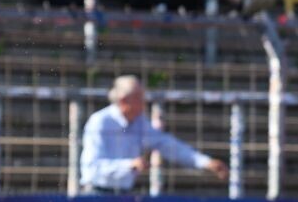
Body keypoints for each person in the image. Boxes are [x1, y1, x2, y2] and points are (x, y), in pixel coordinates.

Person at [80, 76, 229, 194]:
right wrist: (129, 165)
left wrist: (204, 162)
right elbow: (92, 167)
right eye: (139, 98)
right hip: (96, 193)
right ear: (124, 100)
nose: (144, 103)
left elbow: (167, 144)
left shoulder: (139, 122)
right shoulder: (100, 122)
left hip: (123, 194)